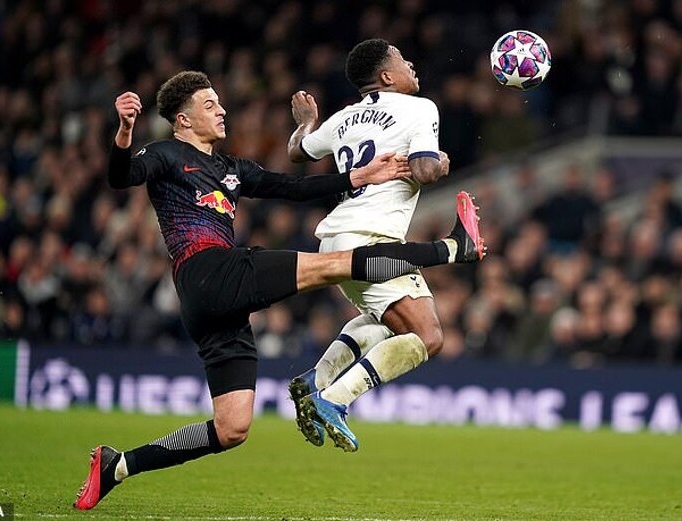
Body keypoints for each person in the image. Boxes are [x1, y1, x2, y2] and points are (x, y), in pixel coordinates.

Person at [73, 70, 482, 510]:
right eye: (209, 105)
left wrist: (358, 177)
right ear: (183, 120)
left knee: (231, 428)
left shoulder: (231, 169)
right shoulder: (165, 154)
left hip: (212, 303)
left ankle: (118, 465)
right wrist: (125, 131)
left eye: (219, 102)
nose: (221, 110)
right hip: (210, 269)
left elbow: (294, 187)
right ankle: (451, 248)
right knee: (335, 265)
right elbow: (122, 176)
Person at [286, 39, 484, 452]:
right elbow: (425, 171)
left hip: (336, 238)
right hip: (372, 238)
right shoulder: (420, 108)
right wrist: (441, 162)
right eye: (402, 59)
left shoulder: (345, 118)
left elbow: (297, 151)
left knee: (386, 323)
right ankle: (333, 399)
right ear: (387, 75)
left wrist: (306, 123)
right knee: (428, 336)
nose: (411, 63)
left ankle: (316, 379)